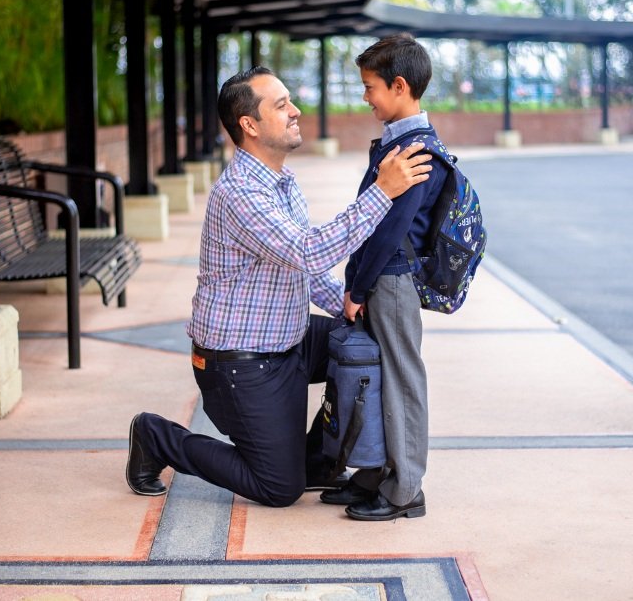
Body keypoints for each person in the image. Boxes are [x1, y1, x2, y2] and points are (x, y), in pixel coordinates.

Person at [126, 66, 433, 508]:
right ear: (249, 125)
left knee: (367, 344)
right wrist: (382, 192)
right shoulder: (241, 193)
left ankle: (318, 459)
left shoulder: (282, 182)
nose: (297, 111)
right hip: (240, 364)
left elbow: (298, 270)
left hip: (290, 340)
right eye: (282, 105)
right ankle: (156, 437)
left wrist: (347, 301)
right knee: (278, 488)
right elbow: (308, 251)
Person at [319, 34, 448, 521]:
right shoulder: (400, 143)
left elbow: (390, 232)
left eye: (370, 87)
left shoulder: (416, 151)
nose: (366, 97)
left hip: (391, 282)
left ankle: (405, 489)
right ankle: (373, 473)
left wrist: (357, 288)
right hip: (381, 280)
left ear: (399, 86)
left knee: (401, 379)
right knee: (376, 376)